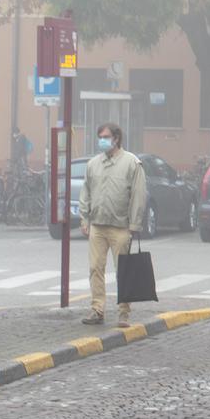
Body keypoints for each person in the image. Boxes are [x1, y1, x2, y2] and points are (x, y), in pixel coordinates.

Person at [77, 123, 146, 328]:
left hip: (120, 226)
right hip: (97, 226)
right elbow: (86, 192)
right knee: (95, 268)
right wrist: (84, 218)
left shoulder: (131, 163)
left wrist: (134, 223)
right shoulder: (93, 164)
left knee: (123, 270)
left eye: (106, 137)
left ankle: (124, 313)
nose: (102, 140)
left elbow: (138, 194)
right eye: (100, 137)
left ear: (116, 138)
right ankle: (97, 310)